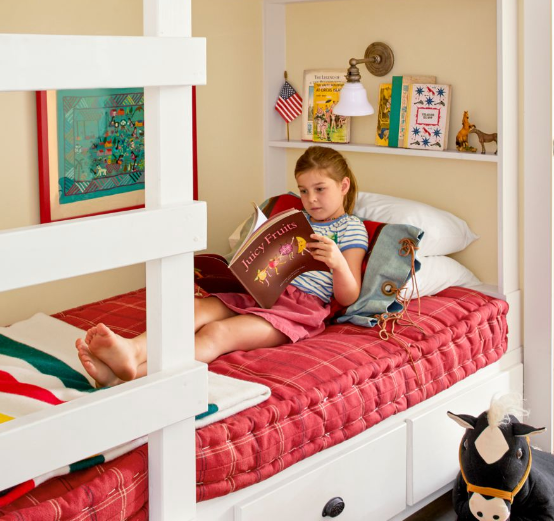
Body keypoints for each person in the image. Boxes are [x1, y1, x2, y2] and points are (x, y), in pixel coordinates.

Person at [75, 145, 368, 385]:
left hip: (297, 310)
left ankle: (126, 375)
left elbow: (348, 296)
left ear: (343, 186)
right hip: (260, 290)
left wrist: (338, 263)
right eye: (304, 191)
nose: (311, 199)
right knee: (194, 308)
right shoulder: (295, 218)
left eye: (320, 189)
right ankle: (132, 350)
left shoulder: (350, 227)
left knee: (217, 333)